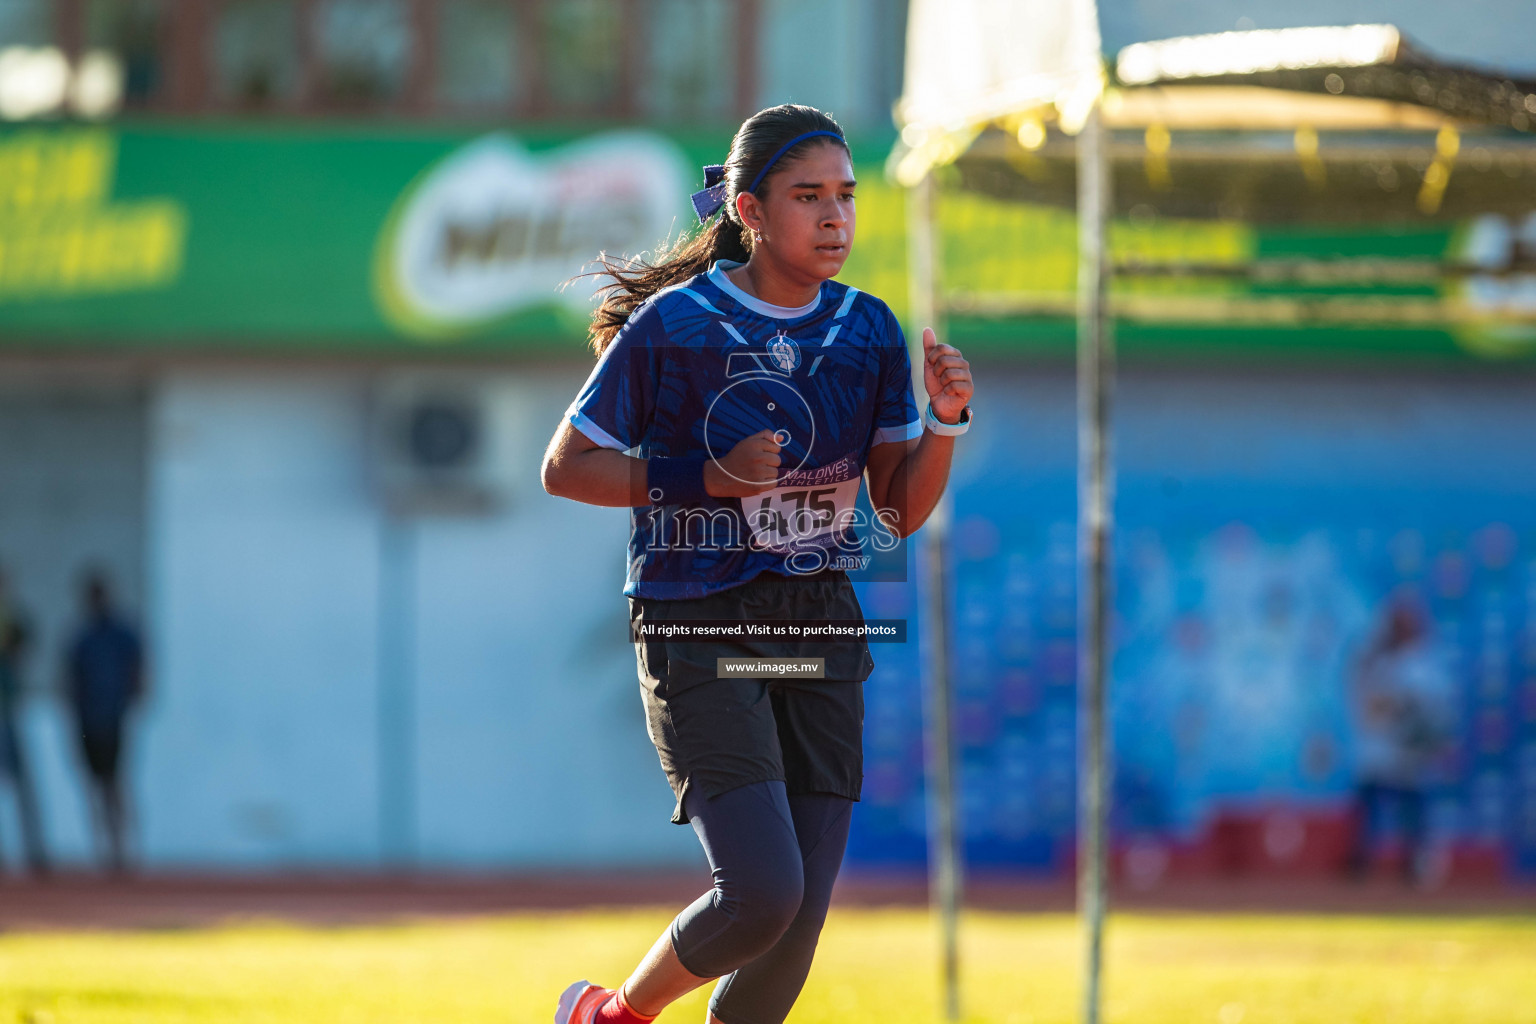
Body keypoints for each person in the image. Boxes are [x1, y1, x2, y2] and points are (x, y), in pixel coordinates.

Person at [540, 104, 974, 1024]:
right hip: (697, 621)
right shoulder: (676, 324)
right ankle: (611, 1015)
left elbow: (896, 510)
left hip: (815, 619)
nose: (835, 218)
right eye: (808, 196)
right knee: (761, 896)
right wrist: (708, 476)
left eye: (847, 197)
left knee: (797, 927)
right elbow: (564, 468)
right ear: (748, 209)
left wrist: (942, 423)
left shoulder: (867, 329)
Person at [1344, 596, 1451, 885]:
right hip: (1377, 752)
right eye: (1397, 624)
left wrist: (1426, 736)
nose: (1402, 629)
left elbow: (1435, 712)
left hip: (1410, 755)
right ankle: (1361, 864)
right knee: (1371, 811)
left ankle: (1416, 865)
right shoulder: (1375, 660)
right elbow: (1367, 705)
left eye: (1407, 624)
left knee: (1415, 812)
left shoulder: (1424, 663)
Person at [65, 569, 146, 875]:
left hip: (113, 717)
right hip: (88, 720)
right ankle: (103, 852)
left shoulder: (122, 632)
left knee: (116, 783)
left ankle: (124, 850)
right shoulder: (82, 636)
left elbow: (138, 668)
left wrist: (133, 701)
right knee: (95, 786)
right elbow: (71, 679)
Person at [0, 566, 49, 875]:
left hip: (9, 708)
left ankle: (36, 851)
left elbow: (26, 648)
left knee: (23, 783)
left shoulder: (13, 616)